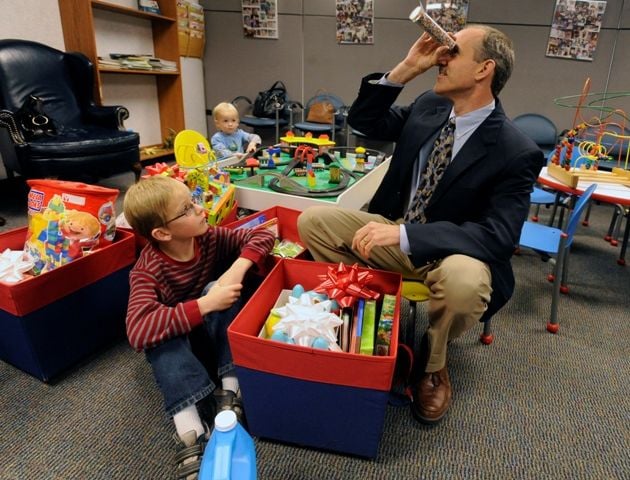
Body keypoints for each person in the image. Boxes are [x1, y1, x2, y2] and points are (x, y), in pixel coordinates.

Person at [298, 26, 544, 425]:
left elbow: (498, 237)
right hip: (392, 228)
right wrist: (406, 69)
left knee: (465, 282)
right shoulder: (429, 104)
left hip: (449, 253)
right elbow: (365, 121)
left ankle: (432, 364)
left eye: (453, 51)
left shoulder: (516, 150)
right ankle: (372, 315)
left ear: (484, 69)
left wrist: (406, 235)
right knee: (313, 222)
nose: (441, 57)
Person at [123, 176, 275, 479]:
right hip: (185, 352)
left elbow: (263, 235)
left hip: (217, 340)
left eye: (194, 200)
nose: (201, 209)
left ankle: (231, 391)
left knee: (218, 287)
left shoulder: (208, 238)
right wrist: (206, 305)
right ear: (162, 232)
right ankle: (189, 427)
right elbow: (137, 331)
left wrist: (235, 270)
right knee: (160, 339)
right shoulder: (147, 270)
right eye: (187, 208)